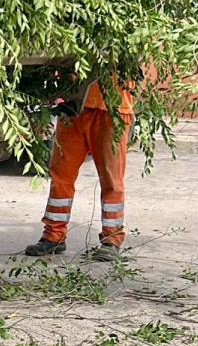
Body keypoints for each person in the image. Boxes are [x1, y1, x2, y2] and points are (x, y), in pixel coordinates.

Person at [24, 81, 134, 261]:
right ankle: (54, 236)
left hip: (113, 109)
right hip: (73, 108)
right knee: (61, 176)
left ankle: (111, 239)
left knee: (111, 179)